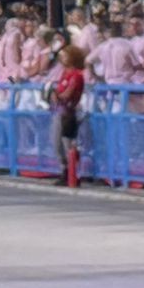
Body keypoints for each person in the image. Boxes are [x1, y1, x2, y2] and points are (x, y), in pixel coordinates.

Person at [50, 44, 86, 187]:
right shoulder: (64, 73)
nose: (62, 58)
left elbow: (68, 93)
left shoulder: (77, 75)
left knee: (67, 143)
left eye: (64, 55)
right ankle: (63, 169)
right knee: (56, 142)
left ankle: (73, 173)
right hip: (59, 111)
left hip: (69, 112)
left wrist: (59, 96)